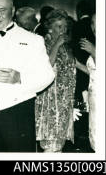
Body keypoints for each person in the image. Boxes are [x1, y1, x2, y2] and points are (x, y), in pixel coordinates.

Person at [0, 0, 55, 152]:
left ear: (13, 10)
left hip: (17, 112)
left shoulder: (32, 39)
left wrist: (20, 78)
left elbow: (48, 75)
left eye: (2, 10)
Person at [35, 9, 76, 152]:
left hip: (64, 101)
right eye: (59, 26)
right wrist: (57, 45)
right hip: (50, 102)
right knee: (50, 145)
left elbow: (73, 65)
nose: (63, 30)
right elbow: (46, 67)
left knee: (58, 145)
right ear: (50, 28)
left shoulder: (65, 46)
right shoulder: (43, 43)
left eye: (65, 27)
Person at [71, 0, 95, 152]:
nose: (94, 27)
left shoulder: (78, 27)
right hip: (91, 91)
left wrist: (94, 51)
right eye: (92, 23)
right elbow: (94, 71)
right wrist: (76, 64)